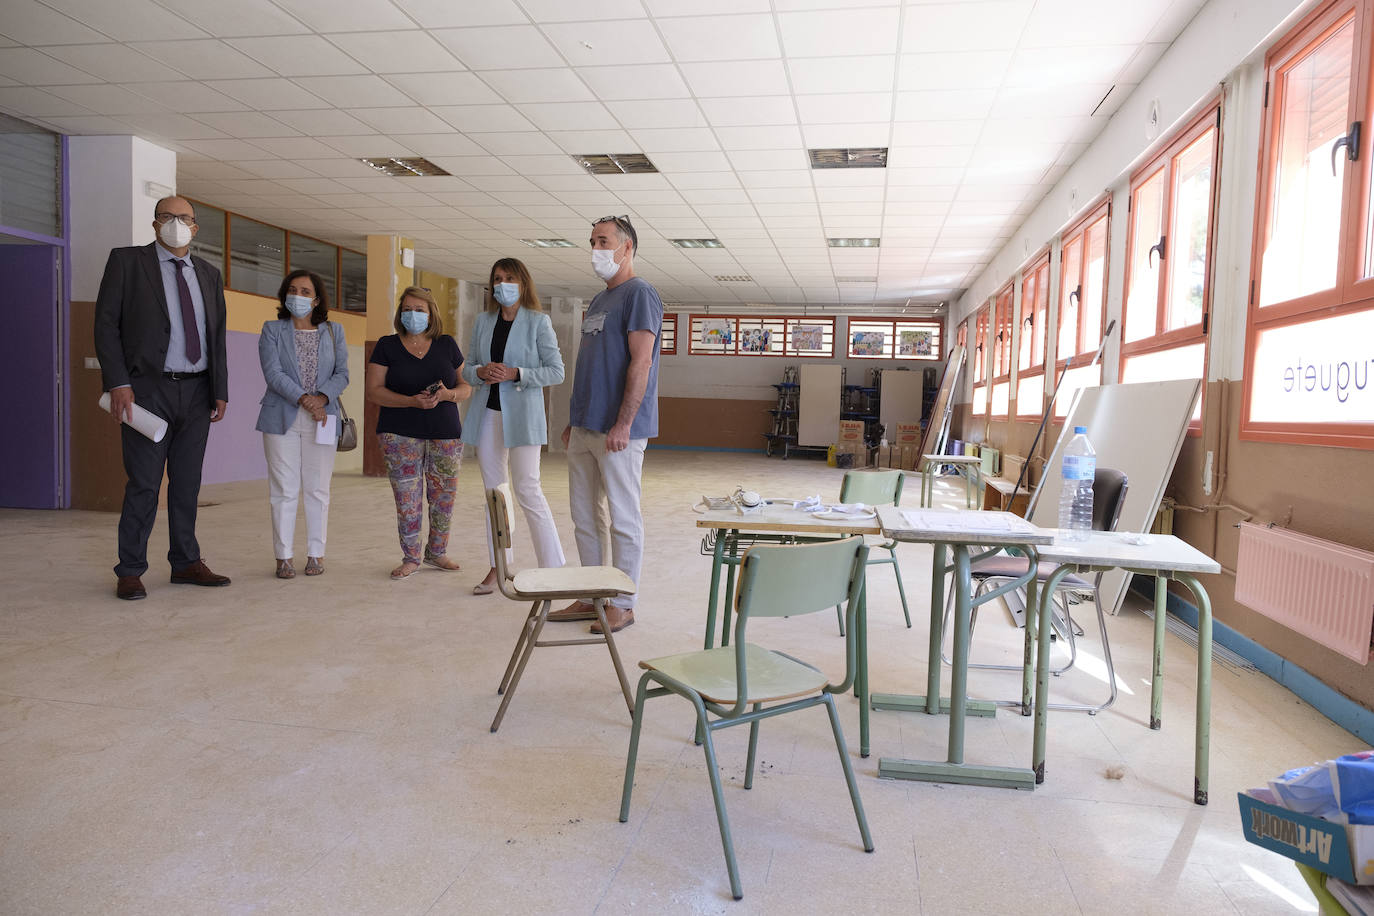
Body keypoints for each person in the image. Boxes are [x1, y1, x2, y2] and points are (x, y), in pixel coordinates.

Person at [94, 195, 231, 600]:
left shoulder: (208, 273)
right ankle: (131, 569)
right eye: (168, 216)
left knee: (187, 484)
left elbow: (216, 335)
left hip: (197, 390)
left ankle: (186, 562)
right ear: (155, 224)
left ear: (195, 227)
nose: (176, 223)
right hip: (145, 392)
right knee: (144, 484)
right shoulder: (127, 262)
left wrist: (219, 388)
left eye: (184, 218)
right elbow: (106, 326)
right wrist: (117, 381)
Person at [548, 215, 662, 633]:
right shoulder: (599, 300)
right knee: (583, 516)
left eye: (603, 241)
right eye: (592, 241)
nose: (595, 249)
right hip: (585, 428)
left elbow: (642, 362)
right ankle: (592, 593)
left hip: (619, 432)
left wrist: (623, 424)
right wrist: (573, 421)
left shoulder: (640, 294)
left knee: (623, 518)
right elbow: (591, 367)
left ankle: (624, 602)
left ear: (626, 247)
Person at [461, 258, 566, 595]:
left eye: (508, 278)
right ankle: (498, 565)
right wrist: (480, 372)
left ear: (522, 283)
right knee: (494, 494)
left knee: (527, 489)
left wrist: (517, 372)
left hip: (523, 416)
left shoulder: (538, 322)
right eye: (496, 278)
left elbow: (556, 371)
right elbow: (466, 369)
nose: (501, 284)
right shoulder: (483, 321)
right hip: (488, 413)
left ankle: (554, 569)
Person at [365, 286, 472, 580]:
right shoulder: (387, 345)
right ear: (401, 313)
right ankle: (411, 557)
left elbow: (466, 387)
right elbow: (374, 391)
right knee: (407, 499)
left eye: (420, 310)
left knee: (443, 497)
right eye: (408, 309)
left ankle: (437, 552)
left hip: (446, 433)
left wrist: (448, 394)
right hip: (399, 433)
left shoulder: (447, 344)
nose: (413, 315)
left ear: (431, 314)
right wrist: (411, 401)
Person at [255, 269, 349, 579]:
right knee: (284, 488)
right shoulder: (272, 330)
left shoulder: (334, 331)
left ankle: (315, 553)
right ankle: (283, 557)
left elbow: (342, 374)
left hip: (322, 419)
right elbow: (273, 373)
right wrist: (305, 399)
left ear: (317, 299)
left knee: (318, 489)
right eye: (293, 290)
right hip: (281, 417)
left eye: (305, 291)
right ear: (284, 295)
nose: (298, 295)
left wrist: (321, 398)